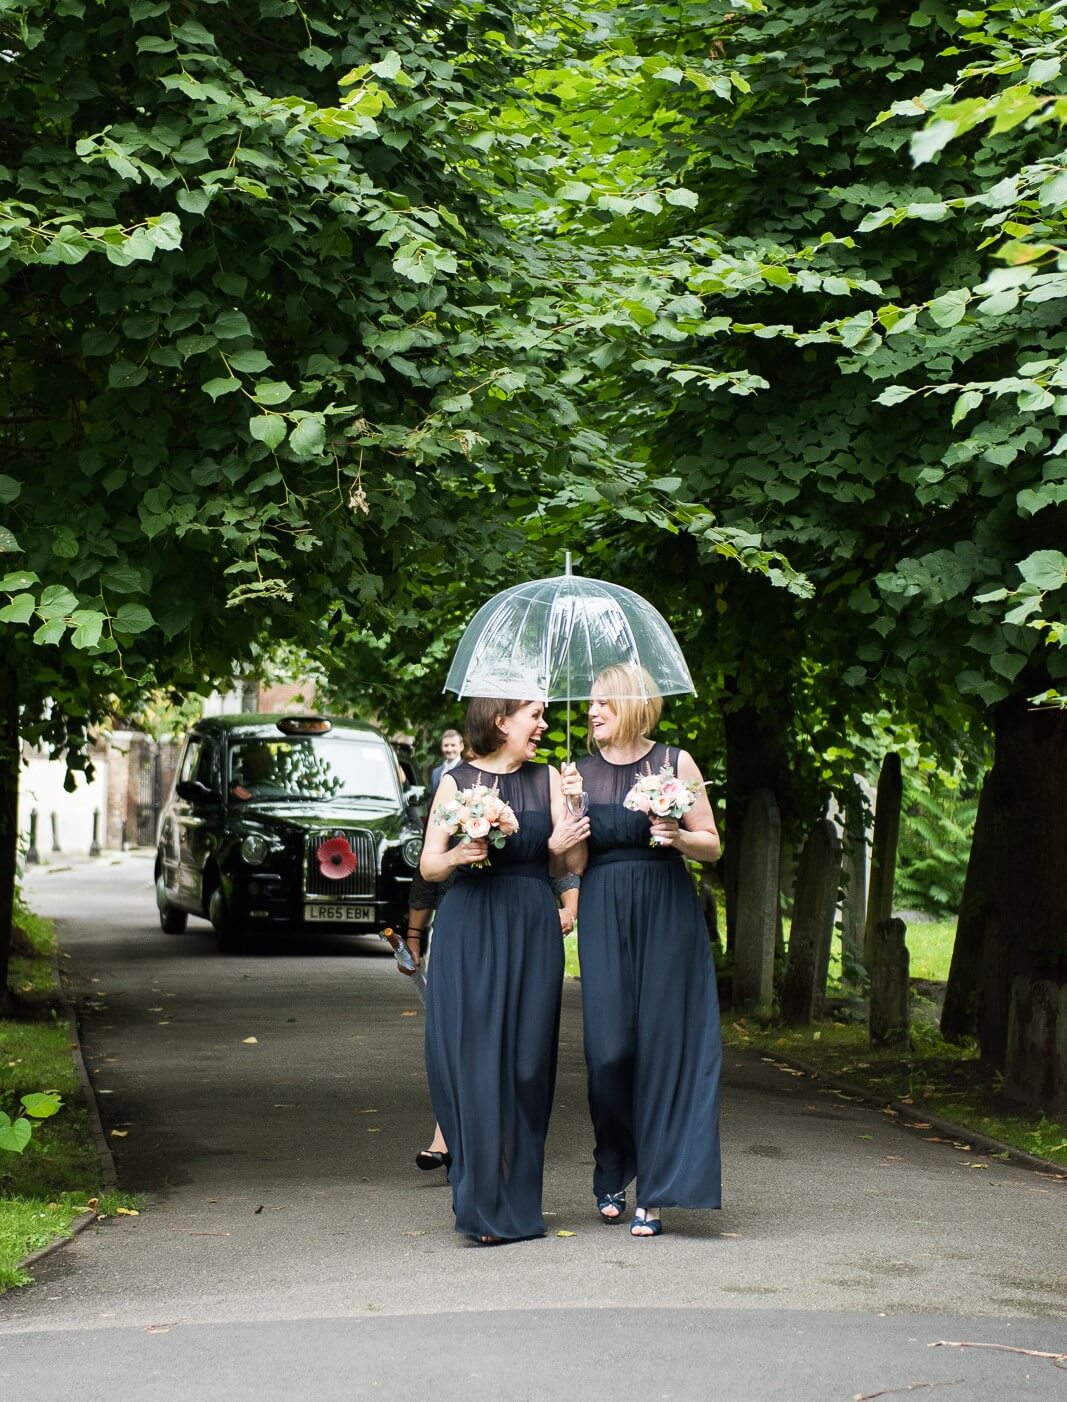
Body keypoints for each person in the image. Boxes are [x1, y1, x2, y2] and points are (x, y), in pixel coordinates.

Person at [419, 698, 586, 1244]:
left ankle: (516, 1203)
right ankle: (479, 1199)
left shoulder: (549, 780)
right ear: (500, 720)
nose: (542, 725)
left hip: (531, 926)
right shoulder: (455, 781)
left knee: (526, 1064)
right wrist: (460, 856)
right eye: (533, 715)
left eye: (542, 716)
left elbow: (568, 865)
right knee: (472, 1060)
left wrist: (566, 839)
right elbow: (430, 863)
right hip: (470, 926)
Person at [570, 663, 722, 1238]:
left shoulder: (675, 762)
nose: (591, 712)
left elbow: (711, 844)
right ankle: (613, 1161)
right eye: (589, 705)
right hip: (605, 908)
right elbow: (572, 865)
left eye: (601, 704)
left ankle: (653, 1193)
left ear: (632, 705)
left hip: (666, 910)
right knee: (609, 1050)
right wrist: (575, 821)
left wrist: (676, 835)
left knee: (663, 1047)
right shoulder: (577, 773)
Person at [429, 728, 463, 795]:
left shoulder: (467, 770)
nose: (449, 749)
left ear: (461, 747)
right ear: (441, 747)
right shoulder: (436, 772)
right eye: (446, 745)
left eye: (453, 745)